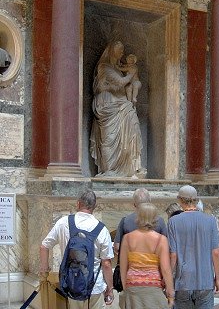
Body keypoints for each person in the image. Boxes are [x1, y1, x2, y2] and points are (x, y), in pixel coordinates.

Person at [39, 190, 114, 309]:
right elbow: (106, 263)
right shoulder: (102, 229)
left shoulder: (63, 223)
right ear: (94, 207)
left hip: (73, 284)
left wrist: (45, 271)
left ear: (78, 204)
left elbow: (44, 246)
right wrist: (110, 289)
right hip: (95, 286)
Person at [90, 41, 143, 178]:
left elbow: (127, 85)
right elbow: (120, 82)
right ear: (111, 51)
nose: (122, 53)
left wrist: (134, 83)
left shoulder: (120, 69)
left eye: (122, 50)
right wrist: (132, 73)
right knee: (109, 137)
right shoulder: (104, 67)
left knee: (133, 124)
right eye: (119, 50)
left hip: (122, 103)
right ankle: (109, 169)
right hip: (107, 104)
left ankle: (131, 167)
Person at [168, 185, 219, 309]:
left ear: (180, 200)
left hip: (183, 282)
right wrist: (217, 278)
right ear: (196, 200)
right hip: (205, 280)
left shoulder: (173, 221)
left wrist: (168, 278)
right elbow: (216, 253)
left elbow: (173, 255)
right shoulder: (210, 220)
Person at [120, 202, 175, 309]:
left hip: (132, 286)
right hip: (153, 287)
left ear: (138, 216)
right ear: (155, 218)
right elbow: (165, 269)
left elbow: (123, 268)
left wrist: (125, 288)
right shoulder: (161, 240)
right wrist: (170, 293)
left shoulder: (127, 238)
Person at [114, 188, 167, 255]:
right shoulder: (160, 221)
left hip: (132, 261)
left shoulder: (125, 220)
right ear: (150, 202)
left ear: (134, 204)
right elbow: (165, 245)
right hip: (154, 261)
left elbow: (117, 247)